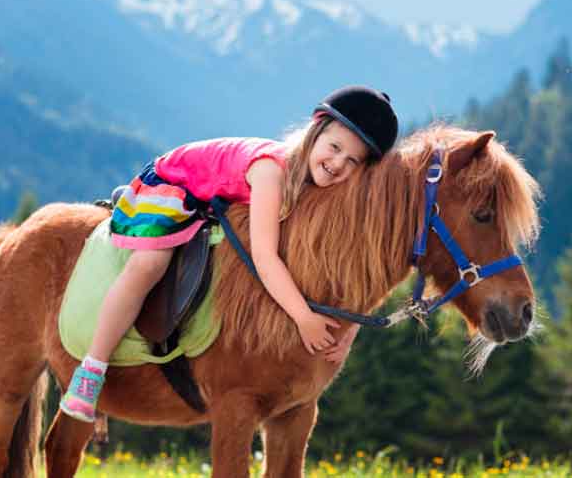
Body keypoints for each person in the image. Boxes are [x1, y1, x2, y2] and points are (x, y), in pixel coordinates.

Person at [60, 85, 399, 422]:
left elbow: (348, 271)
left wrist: (349, 331)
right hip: (177, 184)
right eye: (335, 147)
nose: (338, 163)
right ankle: (92, 369)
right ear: (315, 133)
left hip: (214, 200)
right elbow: (266, 259)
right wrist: (303, 317)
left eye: (352, 160)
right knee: (150, 263)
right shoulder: (273, 172)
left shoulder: (327, 189)